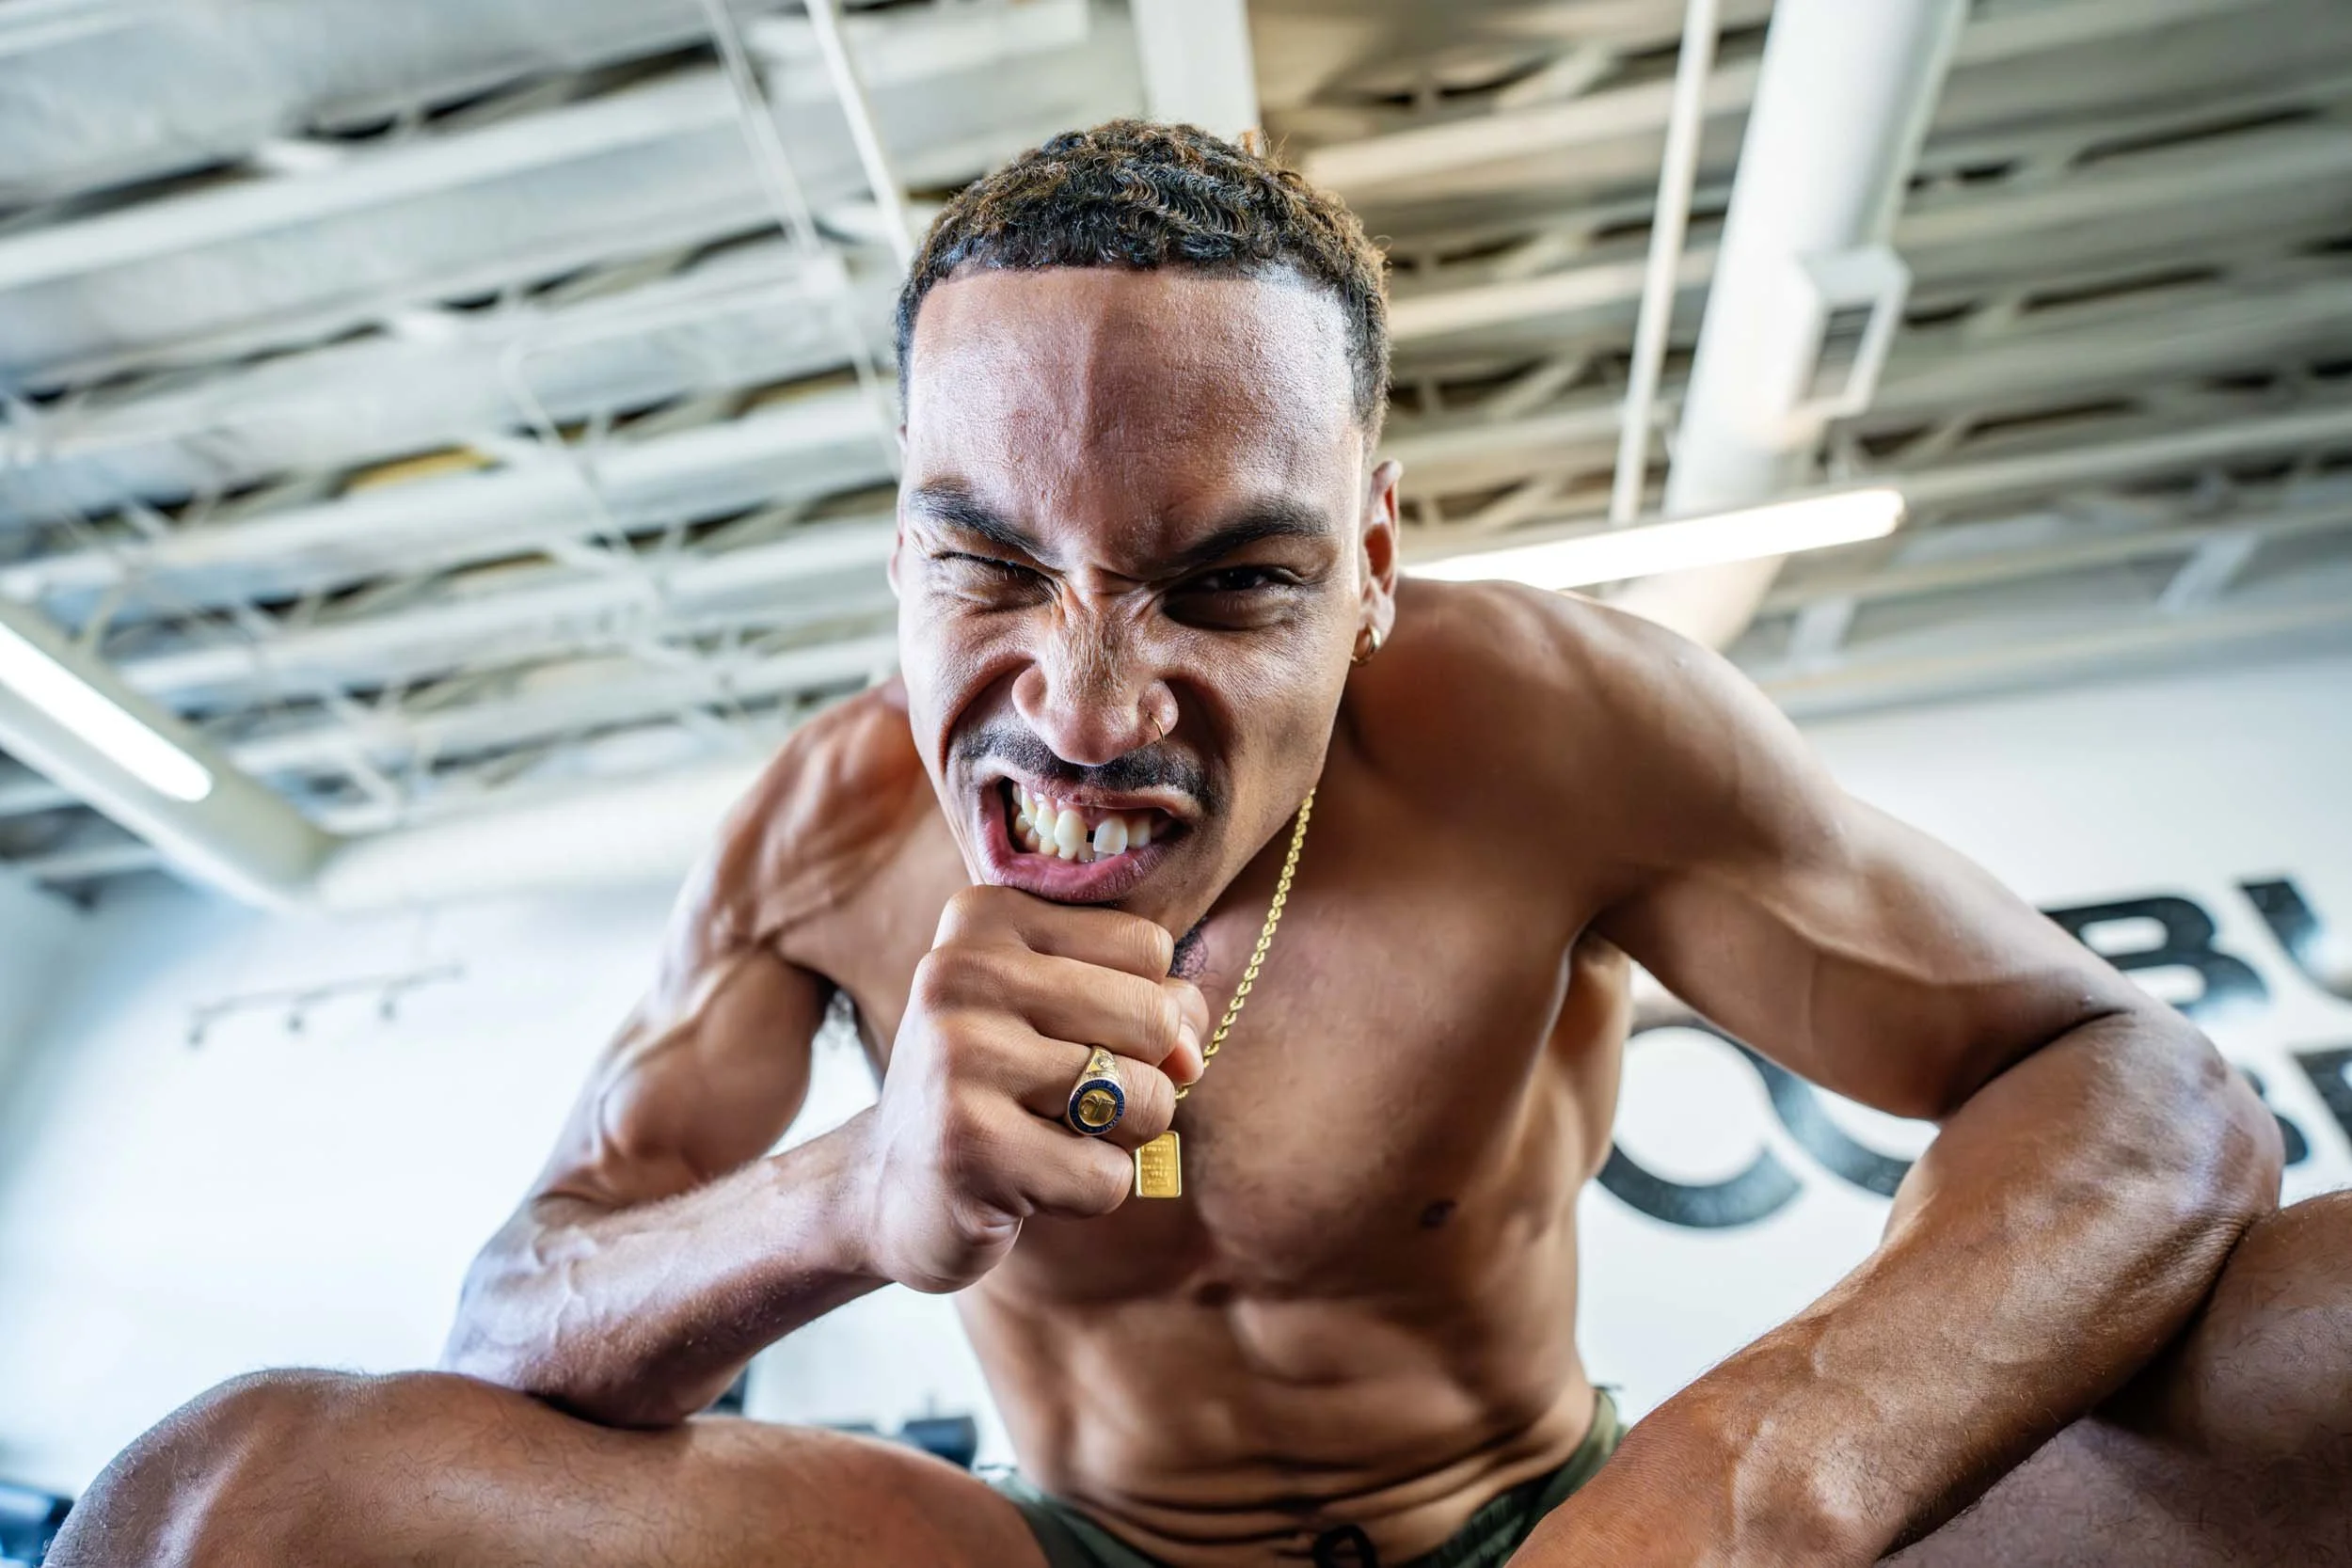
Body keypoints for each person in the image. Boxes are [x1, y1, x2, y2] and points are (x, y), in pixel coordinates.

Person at [53, 121, 2349, 1568]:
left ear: (1366, 567)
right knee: (223, 1505)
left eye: (1226, 582)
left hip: (1573, 1520)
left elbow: (2141, 1093)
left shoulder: (1550, 725)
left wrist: (1752, 1487)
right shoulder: (819, 829)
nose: (1079, 698)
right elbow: (518, 1315)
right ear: (893, 555)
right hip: (1071, 1549)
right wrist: (840, 1202)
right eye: (985, 565)